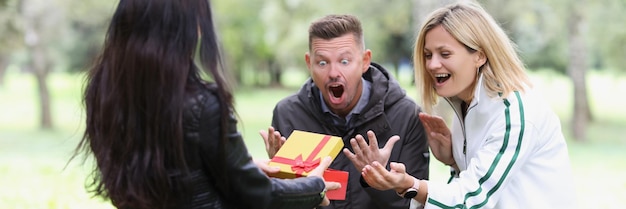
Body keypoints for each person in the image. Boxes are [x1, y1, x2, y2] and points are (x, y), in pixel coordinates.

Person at [72, 0, 340, 209]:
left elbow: (170, 172)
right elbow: (256, 196)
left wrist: (241, 166)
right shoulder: (202, 103)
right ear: (188, 28)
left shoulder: (102, 92)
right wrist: (313, 185)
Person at [350, 2, 576, 209]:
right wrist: (454, 160)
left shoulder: (514, 114)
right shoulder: (465, 104)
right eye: (428, 55)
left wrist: (409, 185)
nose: (432, 64)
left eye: (445, 53)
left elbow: (471, 198)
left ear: (479, 56)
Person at [260, 14, 429, 209]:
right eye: (322, 63)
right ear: (309, 63)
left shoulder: (407, 115)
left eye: (345, 61)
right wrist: (283, 175)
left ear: (365, 61)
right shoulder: (287, 114)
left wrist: (379, 179)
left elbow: (415, 204)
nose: (333, 73)